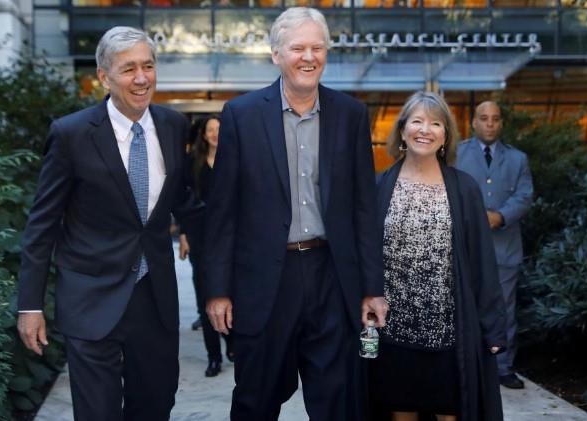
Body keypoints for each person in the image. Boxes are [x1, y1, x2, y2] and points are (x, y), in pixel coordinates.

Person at [204, 7, 388, 420]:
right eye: (298, 48)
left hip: (332, 278)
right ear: (276, 54)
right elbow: (222, 212)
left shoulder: (351, 115)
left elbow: (364, 209)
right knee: (256, 399)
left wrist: (372, 287)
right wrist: (217, 290)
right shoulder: (242, 115)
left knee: (338, 400)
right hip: (267, 281)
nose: (309, 56)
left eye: (317, 47)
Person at [16, 26, 194, 421]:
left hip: (155, 297)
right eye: (129, 69)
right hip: (90, 297)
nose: (142, 78)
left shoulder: (174, 125)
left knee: (156, 404)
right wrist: (29, 305)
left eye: (148, 66)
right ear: (104, 76)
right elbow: (42, 225)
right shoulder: (71, 134)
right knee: (97, 413)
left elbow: (186, 203)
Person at [370, 91, 507, 421]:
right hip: (394, 330)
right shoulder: (379, 185)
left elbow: (482, 263)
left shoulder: (464, 188)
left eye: (435, 123)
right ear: (402, 131)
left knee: (450, 412)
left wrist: (493, 329)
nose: (425, 129)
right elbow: (365, 256)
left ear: (446, 135)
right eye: (416, 121)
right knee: (400, 410)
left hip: (448, 330)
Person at [455, 100, 533, 389]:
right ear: (473, 122)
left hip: (505, 248)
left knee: (504, 309)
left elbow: (524, 196)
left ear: (501, 123)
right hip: (464, 248)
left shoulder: (518, 159)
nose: (490, 123)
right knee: (463, 306)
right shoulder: (456, 154)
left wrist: (500, 216)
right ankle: (466, 362)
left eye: (495, 119)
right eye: (484, 118)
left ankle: (503, 368)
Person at [178, 115, 234, 377]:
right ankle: (214, 357)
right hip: (200, 237)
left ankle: (232, 343)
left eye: (218, 129)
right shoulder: (191, 163)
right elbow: (181, 202)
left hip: (232, 238)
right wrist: (184, 234)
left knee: (231, 294)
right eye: (210, 130)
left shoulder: (235, 160)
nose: (214, 134)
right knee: (205, 296)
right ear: (203, 134)